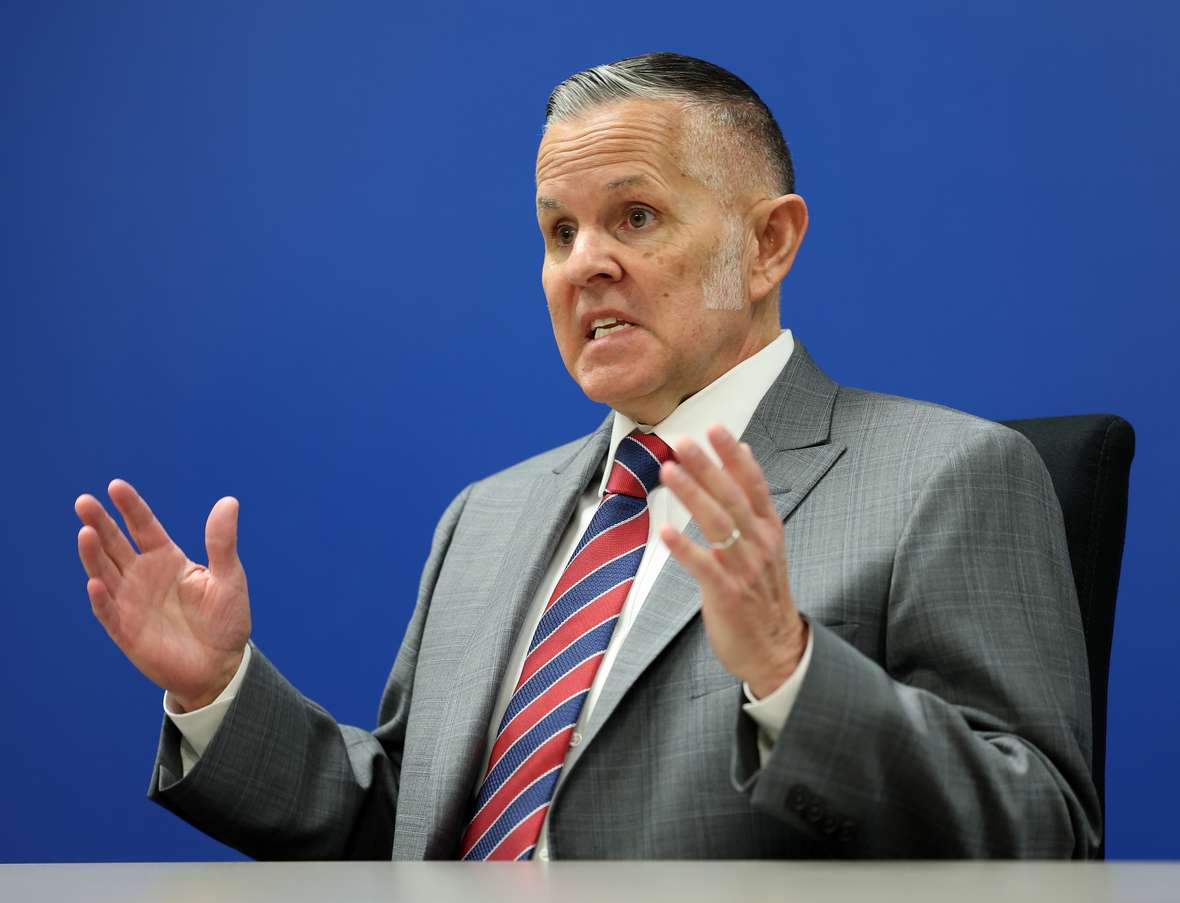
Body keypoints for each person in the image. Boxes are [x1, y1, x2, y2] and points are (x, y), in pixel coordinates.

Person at [74, 53, 1100, 859]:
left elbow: (1043, 834)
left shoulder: (951, 475)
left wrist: (792, 674)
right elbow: (401, 837)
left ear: (768, 245)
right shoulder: (486, 517)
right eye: (558, 231)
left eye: (634, 217)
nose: (584, 265)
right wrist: (219, 693)